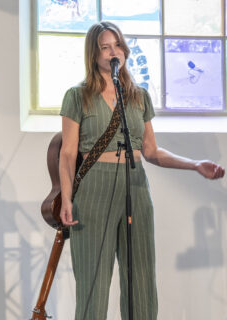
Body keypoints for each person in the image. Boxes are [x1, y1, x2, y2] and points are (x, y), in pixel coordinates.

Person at [58, 21, 225, 320]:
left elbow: (151, 151)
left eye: (117, 45)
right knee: (93, 280)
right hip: (94, 187)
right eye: (105, 47)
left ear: (125, 50)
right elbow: (68, 153)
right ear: (94, 55)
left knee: (142, 277)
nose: (113, 52)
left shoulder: (138, 96)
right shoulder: (77, 95)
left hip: (135, 185)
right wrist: (67, 199)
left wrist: (195, 165)